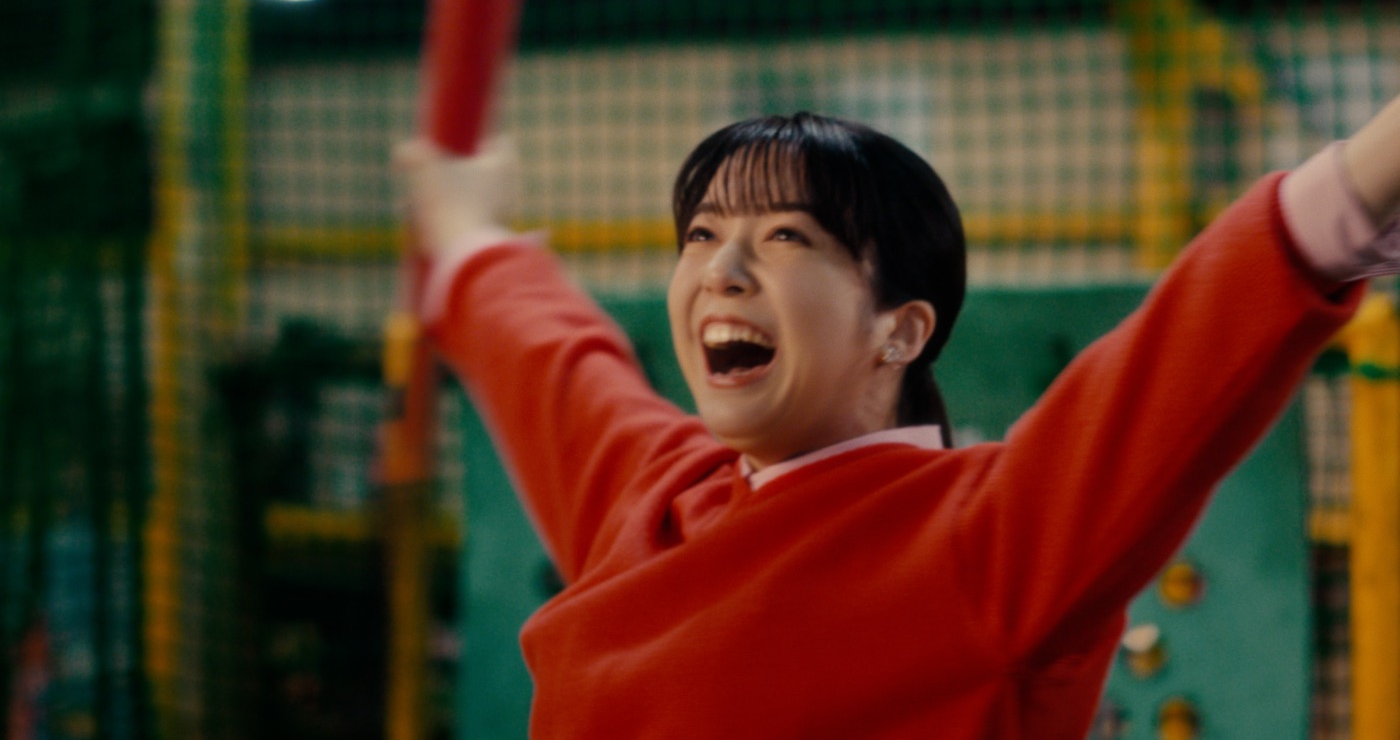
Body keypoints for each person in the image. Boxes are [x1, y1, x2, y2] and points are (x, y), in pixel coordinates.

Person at [397, 96, 1400, 737]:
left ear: (899, 329)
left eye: (787, 237)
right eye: (701, 233)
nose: (720, 270)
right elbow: (549, 361)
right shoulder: (653, 498)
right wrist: (466, 231)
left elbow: (1182, 360)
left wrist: (1366, 176)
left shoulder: (980, 540)